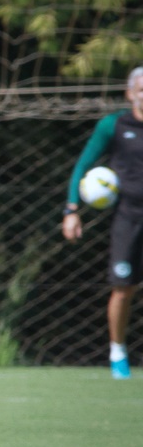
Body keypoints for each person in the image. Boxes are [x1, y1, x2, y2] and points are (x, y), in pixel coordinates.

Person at [63, 66, 143, 380]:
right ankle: (118, 351)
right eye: (142, 89)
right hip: (128, 217)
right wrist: (71, 209)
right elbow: (83, 165)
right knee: (123, 287)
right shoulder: (113, 125)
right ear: (130, 93)